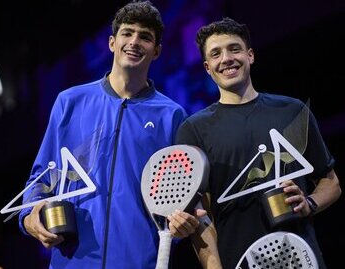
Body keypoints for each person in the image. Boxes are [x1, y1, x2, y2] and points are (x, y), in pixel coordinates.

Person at [18, 1, 200, 268]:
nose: (135, 42)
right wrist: (28, 216)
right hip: (72, 261)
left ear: (157, 51)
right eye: (127, 33)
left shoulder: (171, 116)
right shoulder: (70, 102)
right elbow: (43, 178)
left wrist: (182, 226)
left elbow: (181, 199)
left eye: (145, 37)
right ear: (112, 43)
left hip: (139, 260)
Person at [176, 17, 341, 269]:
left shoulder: (292, 111)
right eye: (216, 54)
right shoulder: (194, 130)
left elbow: (331, 183)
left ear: (250, 55)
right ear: (208, 68)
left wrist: (309, 203)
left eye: (234, 49)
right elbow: (202, 216)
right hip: (238, 262)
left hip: (301, 260)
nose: (227, 59)